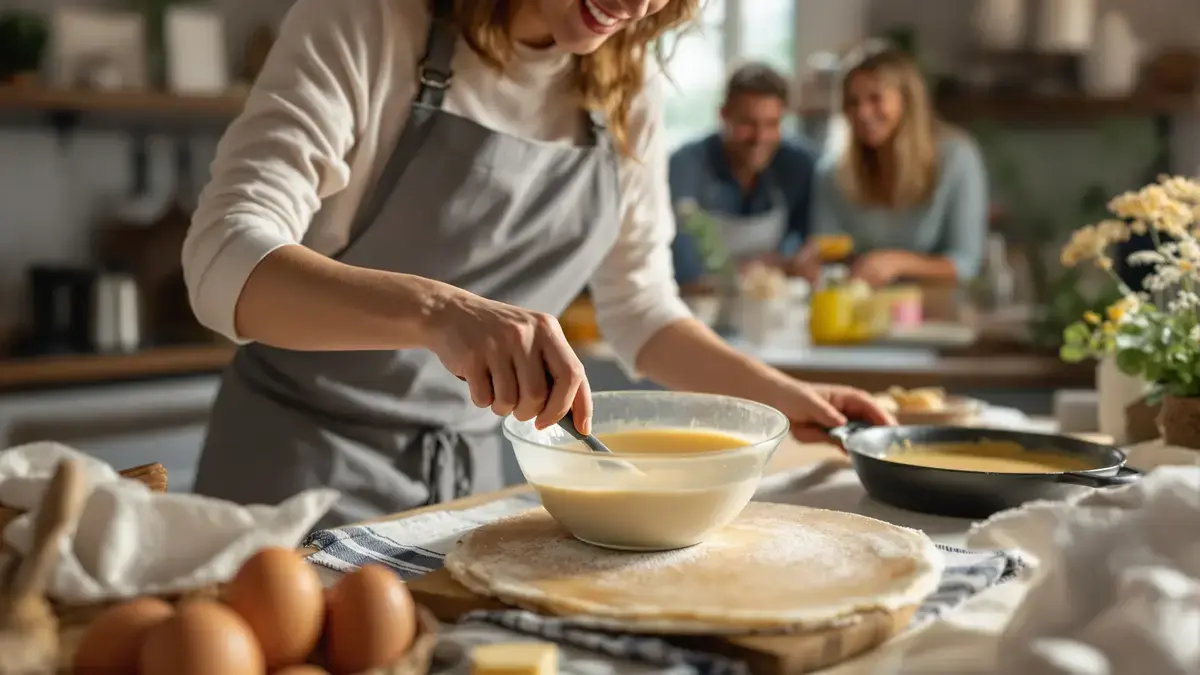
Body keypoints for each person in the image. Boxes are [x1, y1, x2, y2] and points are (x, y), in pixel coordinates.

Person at [182, 0, 893, 527]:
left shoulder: (625, 89)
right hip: (293, 482)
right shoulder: (368, 20)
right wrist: (440, 313)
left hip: (462, 493)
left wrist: (782, 395)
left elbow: (641, 309)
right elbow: (222, 260)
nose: (636, 4)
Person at [796, 41, 988, 287]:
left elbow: (966, 262)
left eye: (875, 99)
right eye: (852, 102)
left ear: (907, 101)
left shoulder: (957, 158)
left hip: (936, 304)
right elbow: (825, 251)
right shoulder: (831, 172)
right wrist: (812, 259)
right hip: (857, 303)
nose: (863, 113)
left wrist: (899, 263)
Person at [669, 62, 817, 285]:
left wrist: (789, 261)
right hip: (700, 302)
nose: (759, 137)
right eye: (747, 123)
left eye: (772, 124)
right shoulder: (686, 165)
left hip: (775, 300)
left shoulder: (798, 164)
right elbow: (684, 268)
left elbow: (803, 247)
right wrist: (766, 266)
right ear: (723, 114)